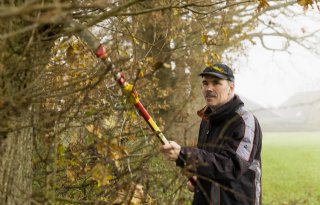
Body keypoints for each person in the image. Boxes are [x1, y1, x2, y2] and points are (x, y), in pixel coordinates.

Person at [160, 63, 262, 205]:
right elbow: (211, 163)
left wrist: (184, 155)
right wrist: (201, 181)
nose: (209, 88)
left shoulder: (244, 122)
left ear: (231, 88)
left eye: (216, 83)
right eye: (205, 83)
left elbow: (231, 167)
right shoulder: (207, 120)